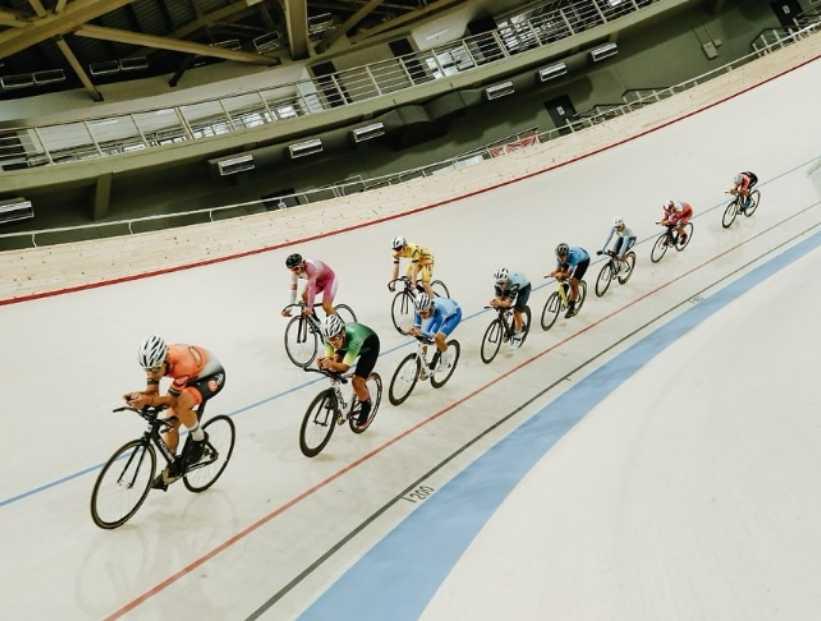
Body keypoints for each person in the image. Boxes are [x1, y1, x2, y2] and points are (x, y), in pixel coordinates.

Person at [125, 336, 226, 491]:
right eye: (148, 370)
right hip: (189, 377)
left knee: (180, 404)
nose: (152, 374)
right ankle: (172, 466)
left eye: (155, 370)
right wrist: (138, 396)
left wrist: (147, 401)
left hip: (211, 376)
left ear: (165, 360)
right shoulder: (154, 364)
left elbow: (171, 400)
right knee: (169, 425)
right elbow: (153, 393)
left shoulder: (181, 364)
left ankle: (200, 438)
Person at [317, 315, 380, 428]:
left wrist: (331, 364)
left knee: (357, 382)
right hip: (347, 344)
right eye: (330, 339)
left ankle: (366, 406)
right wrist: (323, 363)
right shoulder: (329, 338)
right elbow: (329, 359)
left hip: (369, 347)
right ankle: (334, 394)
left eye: (335, 338)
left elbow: (345, 367)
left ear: (342, 333)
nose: (332, 342)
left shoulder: (355, 340)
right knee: (334, 363)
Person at [408, 293, 462, 376]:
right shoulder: (419, 309)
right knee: (422, 338)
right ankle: (424, 366)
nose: (422, 316)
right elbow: (417, 327)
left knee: (438, 339)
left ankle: (445, 361)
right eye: (420, 313)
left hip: (454, 315)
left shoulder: (440, 313)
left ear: (429, 308)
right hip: (443, 305)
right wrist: (414, 331)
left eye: (424, 313)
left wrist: (420, 332)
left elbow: (433, 336)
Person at [282, 253, 337, 318]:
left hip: (329, 280)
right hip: (317, 282)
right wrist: (290, 308)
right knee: (304, 296)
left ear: (302, 265)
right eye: (292, 270)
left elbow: (311, 289)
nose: (295, 272)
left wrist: (309, 307)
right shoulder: (295, 273)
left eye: (296, 269)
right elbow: (293, 291)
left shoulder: (310, 268)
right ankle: (315, 321)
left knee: (326, 306)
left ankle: (339, 323)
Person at [549, 243, 589, 318]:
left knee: (573, 282)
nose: (561, 258)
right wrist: (554, 273)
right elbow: (558, 270)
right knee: (561, 277)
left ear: (567, 255)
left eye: (563, 256)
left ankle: (572, 308)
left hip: (583, 261)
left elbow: (568, 274)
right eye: (559, 256)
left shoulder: (574, 258)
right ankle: (565, 294)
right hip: (571, 258)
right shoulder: (559, 258)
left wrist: (560, 274)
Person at [490, 267, 531, 338]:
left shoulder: (514, 284)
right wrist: (495, 302)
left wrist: (501, 303)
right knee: (502, 305)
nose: (501, 286)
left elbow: (508, 302)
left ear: (507, 280)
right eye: (499, 283)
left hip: (524, 288)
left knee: (517, 310)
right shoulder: (498, 285)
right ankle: (511, 321)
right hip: (509, 286)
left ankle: (520, 328)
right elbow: (499, 298)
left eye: (502, 283)